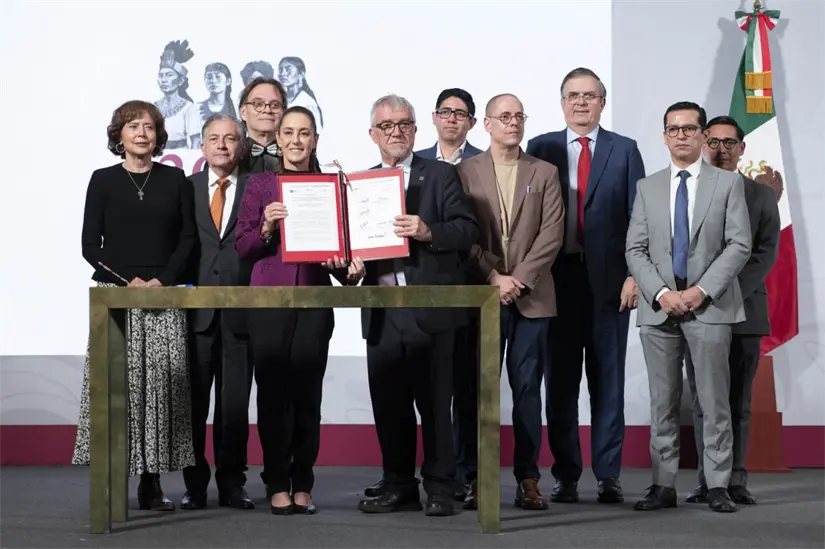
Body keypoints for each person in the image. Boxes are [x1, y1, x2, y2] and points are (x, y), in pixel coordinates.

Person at [235, 106, 365, 516]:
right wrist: (266, 229)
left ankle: (304, 481)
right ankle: (276, 480)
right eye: (288, 132)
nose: (295, 140)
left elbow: (345, 255)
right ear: (277, 140)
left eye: (304, 133)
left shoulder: (333, 185)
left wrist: (350, 268)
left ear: (315, 140)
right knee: (272, 395)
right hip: (268, 302)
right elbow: (243, 248)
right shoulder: (259, 184)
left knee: (308, 395)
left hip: (313, 300)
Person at [526, 67, 645, 504]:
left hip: (611, 284)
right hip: (553, 281)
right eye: (573, 96)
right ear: (562, 103)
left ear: (602, 102)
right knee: (559, 384)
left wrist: (635, 274)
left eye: (589, 96)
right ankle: (567, 475)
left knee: (607, 382)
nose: (581, 103)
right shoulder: (540, 148)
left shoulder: (625, 150)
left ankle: (609, 474)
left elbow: (640, 220)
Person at [625, 101, 751, 513]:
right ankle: (663, 485)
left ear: (702, 135)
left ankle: (717, 485)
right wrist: (662, 293)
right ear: (664, 136)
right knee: (662, 401)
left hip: (709, 307)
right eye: (673, 129)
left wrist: (701, 291)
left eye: (689, 128)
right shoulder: (648, 186)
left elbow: (739, 245)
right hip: (659, 309)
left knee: (713, 400)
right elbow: (635, 248)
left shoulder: (728, 185)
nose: (681, 135)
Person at [356, 94, 478, 518]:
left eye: (404, 124)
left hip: (430, 308)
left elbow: (466, 230)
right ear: (373, 134)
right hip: (382, 309)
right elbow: (350, 252)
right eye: (386, 125)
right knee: (389, 405)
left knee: (435, 405)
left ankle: (442, 487)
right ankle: (398, 485)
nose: (396, 132)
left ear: (415, 129)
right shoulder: (357, 183)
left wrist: (428, 230)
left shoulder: (441, 175)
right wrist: (348, 266)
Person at [73, 99, 198, 511]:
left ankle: (151, 483)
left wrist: (161, 280)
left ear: (159, 135)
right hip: (117, 300)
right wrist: (131, 282)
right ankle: (112, 484)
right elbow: (90, 246)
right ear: (119, 135)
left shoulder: (176, 180)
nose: (142, 133)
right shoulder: (102, 180)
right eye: (133, 126)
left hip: (165, 298)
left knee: (161, 395)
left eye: (148, 126)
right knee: (121, 393)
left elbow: (188, 240)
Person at [456, 93, 564, 510]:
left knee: (527, 393)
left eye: (519, 116)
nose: (513, 123)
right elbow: (463, 235)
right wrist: (493, 276)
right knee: (473, 392)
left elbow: (552, 232)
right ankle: (473, 477)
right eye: (505, 116)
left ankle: (528, 478)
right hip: (482, 295)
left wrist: (517, 279)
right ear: (486, 123)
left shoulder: (545, 171)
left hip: (532, 297)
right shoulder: (465, 172)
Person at [684, 116, 780, 506]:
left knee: (737, 400)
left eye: (729, 143)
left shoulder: (761, 196)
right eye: (714, 142)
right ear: (703, 145)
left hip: (744, 310)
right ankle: (709, 479)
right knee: (704, 400)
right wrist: (699, 294)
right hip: (697, 310)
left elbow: (764, 254)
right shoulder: (688, 191)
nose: (721, 150)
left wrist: (718, 291)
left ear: (742, 149)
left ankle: (735, 478)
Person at [180, 114, 255, 511]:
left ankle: (232, 483)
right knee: (194, 404)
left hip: (242, 312)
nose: (222, 146)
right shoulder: (186, 188)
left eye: (230, 139)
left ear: (240, 146)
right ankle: (194, 485)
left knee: (235, 405)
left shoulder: (256, 188)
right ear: (203, 147)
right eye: (214, 139)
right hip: (197, 315)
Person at [416, 88, 483, 164]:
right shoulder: (415, 161)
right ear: (434, 117)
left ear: (472, 123)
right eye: (445, 112)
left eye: (460, 114)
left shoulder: (485, 161)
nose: (451, 120)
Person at [237, 77, 288, 174]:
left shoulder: (296, 155)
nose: (268, 110)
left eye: (275, 105)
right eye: (258, 104)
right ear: (243, 112)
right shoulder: (230, 155)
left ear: (284, 113)